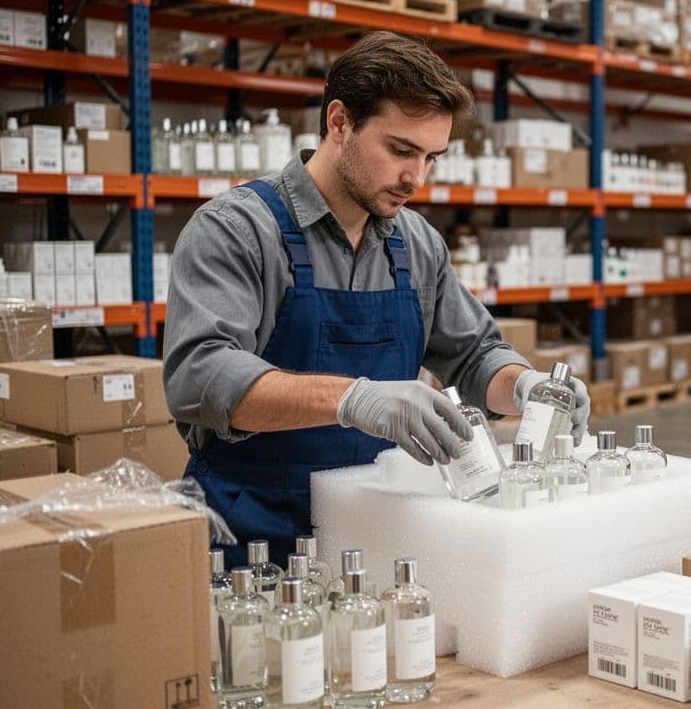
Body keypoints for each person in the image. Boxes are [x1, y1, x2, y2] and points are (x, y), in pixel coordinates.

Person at [164, 32, 591, 566]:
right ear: (339, 122)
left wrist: (526, 387)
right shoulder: (236, 230)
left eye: (432, 158)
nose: (416, 178)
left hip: (371, 534)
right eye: (400, 150)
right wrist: (354, 400)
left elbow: (474, 355)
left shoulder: (415, 243)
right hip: (251, 538)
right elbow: (199, 377)